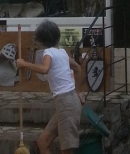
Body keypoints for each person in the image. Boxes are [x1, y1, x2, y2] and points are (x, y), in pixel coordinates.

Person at [15, 20, 83, 154]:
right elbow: (78, 68)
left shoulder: (49, 53)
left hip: (66, 104)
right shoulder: (62, 52)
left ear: (41, 40)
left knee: (67, 151)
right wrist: (78, 92)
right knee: (43, 142)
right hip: (67, 103)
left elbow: (45, 69)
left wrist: (25, 64)